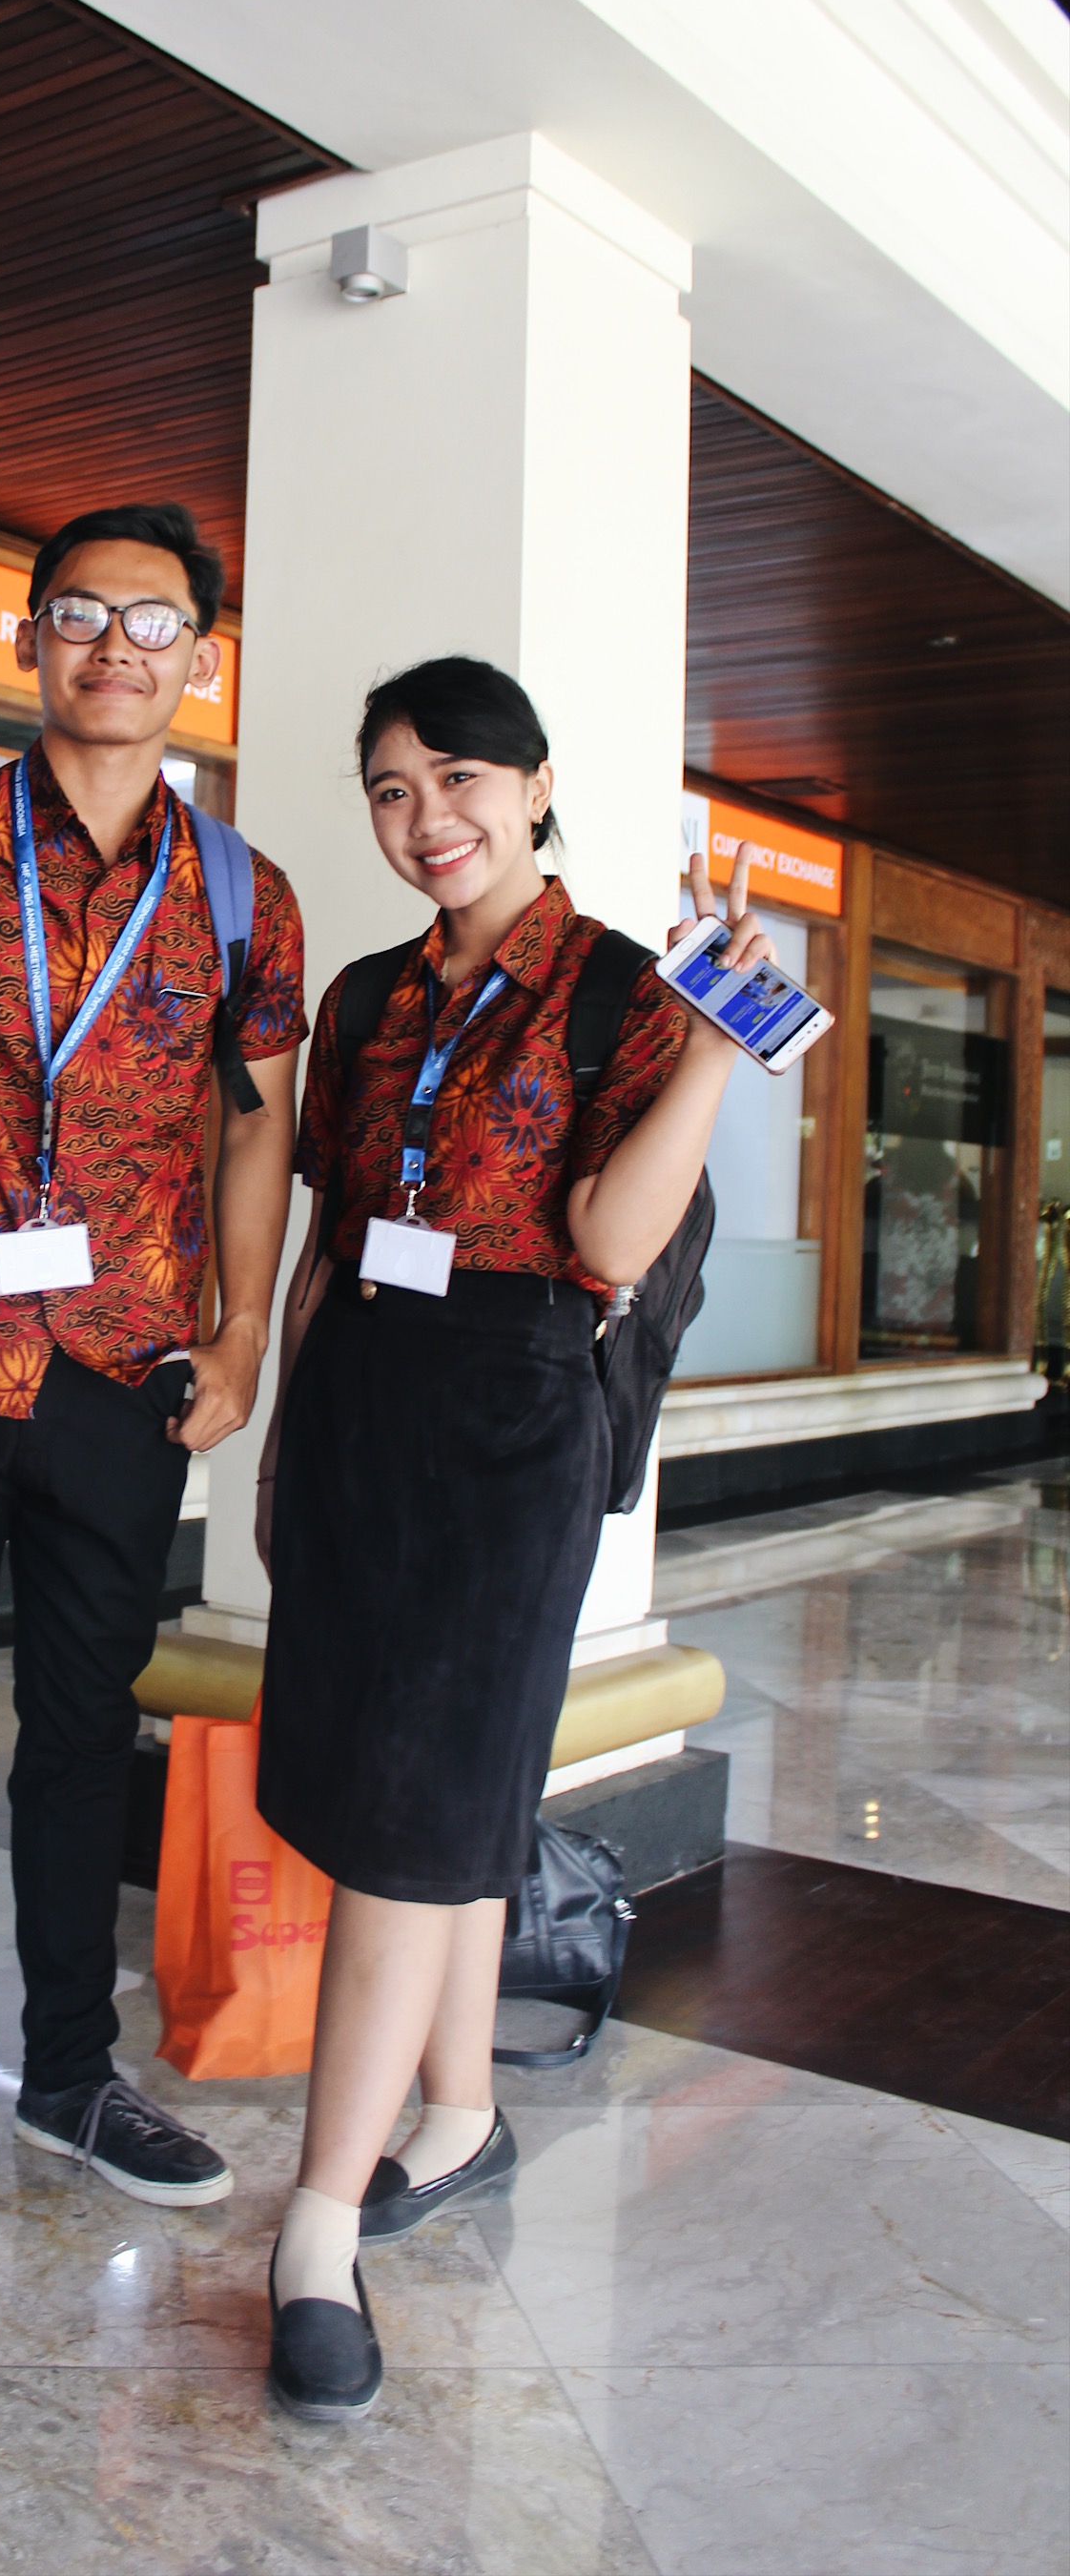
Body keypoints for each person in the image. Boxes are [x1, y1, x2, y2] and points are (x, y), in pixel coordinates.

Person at [253, 656, 772, 2420]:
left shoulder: (628, 989)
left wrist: (713, 1049)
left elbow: (614, 1243)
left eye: (458, 779)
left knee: (418, 1807)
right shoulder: (368, 994)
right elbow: (335, 1228)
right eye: (391, 790)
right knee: (410, 1786)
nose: (426, 821)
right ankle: (460, 2115)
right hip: (359, 1401)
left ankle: (315, 2223)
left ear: (537, 786)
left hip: (511, 1410)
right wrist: (281, 1437)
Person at [0, 501, 304, 2222]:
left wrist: (241, 1332)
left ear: (199, 659)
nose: (114, 647)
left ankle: (78, 2081)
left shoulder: (244, 894)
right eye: (81, 614)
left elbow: (259, 1138)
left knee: (90, 1725)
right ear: (26, 639)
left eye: (151, 621)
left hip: (123, 1374)